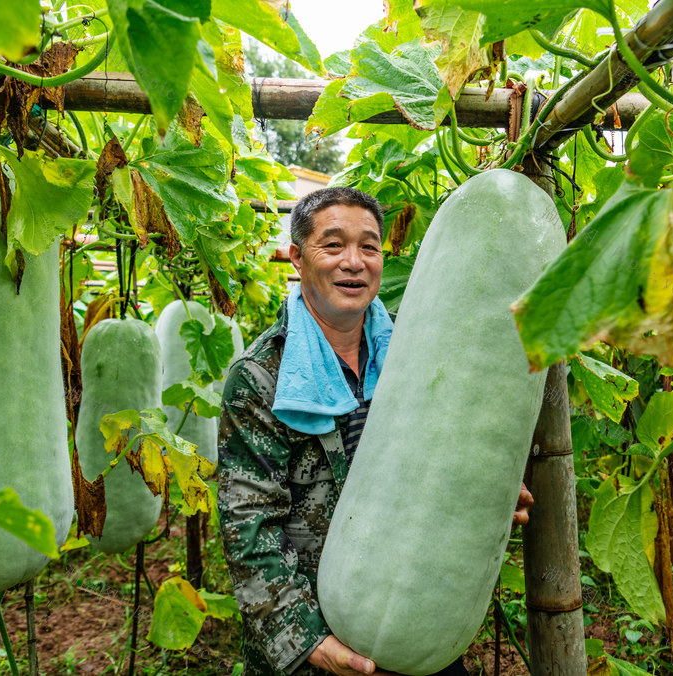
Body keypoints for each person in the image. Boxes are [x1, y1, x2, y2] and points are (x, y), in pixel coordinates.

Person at [217, 186, 533, 676]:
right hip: (315, 637)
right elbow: (248, 526)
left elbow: (447, 461)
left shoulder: (423, 345)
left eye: (369, 247)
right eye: (333, 245)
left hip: (420, 617)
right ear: (297, 258)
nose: (354, 262)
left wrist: (481, 493)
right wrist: (310, 642)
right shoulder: (260, 377)